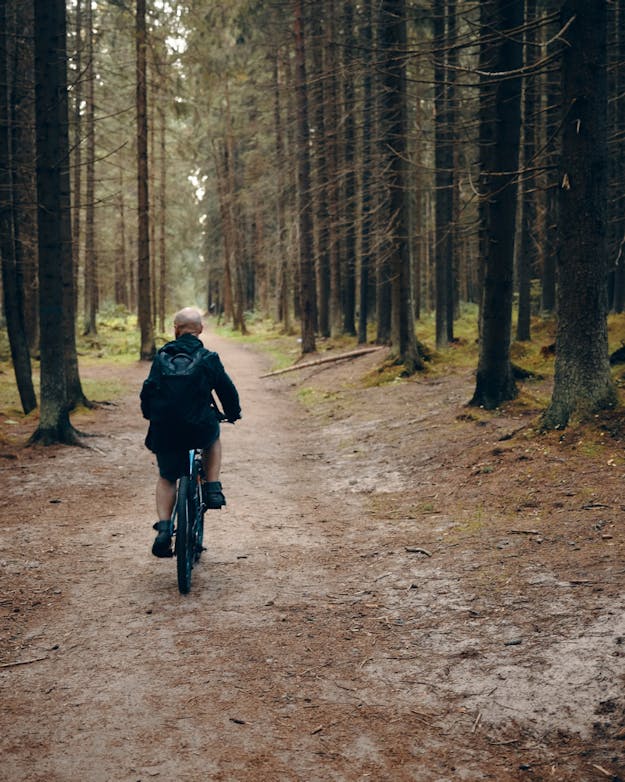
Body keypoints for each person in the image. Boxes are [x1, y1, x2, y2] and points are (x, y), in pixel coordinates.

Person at [140, 307, 241, 558]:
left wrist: (150, 415)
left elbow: (148, 391)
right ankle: (213, 487)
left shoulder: (161, 356)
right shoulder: (208, 357)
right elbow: (226, 390)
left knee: (166, 477)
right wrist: (233, 413)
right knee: (213, 437)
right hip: (199, 425)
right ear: (200, 330)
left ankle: (164, 528)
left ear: (175, 329)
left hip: (165, 428)